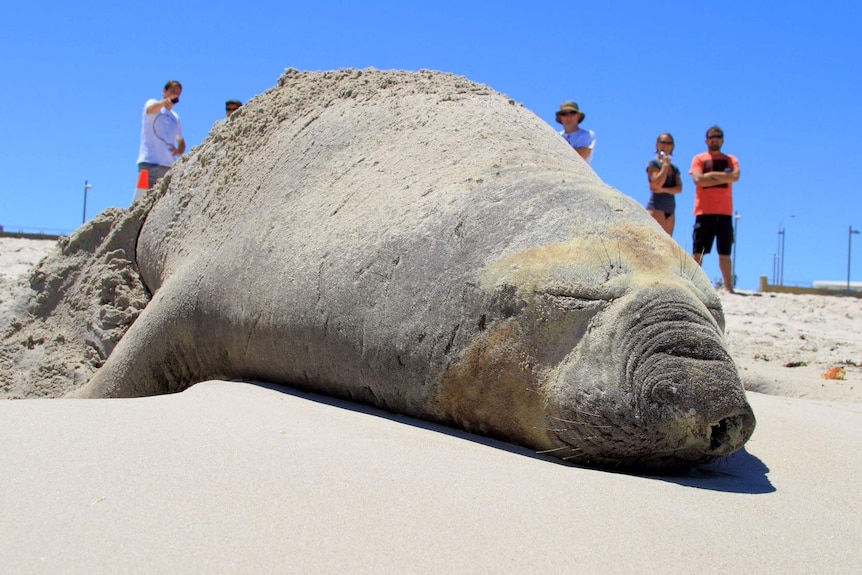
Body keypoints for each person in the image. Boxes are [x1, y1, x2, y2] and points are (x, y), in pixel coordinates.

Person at [689, 126, 740, 293]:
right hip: (704, 212)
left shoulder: (730, 159)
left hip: (725, 213)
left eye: (718, 137)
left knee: (725, 252)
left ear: (722, 140)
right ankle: (692, 285)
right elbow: (698, 180)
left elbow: (735, 176)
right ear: (706, 140)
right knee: (698, 252)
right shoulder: (699, 159)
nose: (714, 139)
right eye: (711, 137)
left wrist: (709, 176)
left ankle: (728, 287)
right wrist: (722, 177)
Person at [136, 80, 186, 195]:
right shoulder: (152, 103)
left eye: (178, 93)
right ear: (165, 91)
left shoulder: (175, 117)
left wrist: (179, 151)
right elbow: (150, 110)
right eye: (172, 91)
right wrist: (164, 102)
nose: (175, 94)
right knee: (141, 198)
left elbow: (181, 141)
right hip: (149, 163)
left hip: (168, 166)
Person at [645, 133, 682, 235]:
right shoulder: (653, 163)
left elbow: (679, 188)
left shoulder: (674, 168)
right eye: (663, 142)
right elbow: (657, 183)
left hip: (670, 209)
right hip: (656, 207)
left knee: (667, 245)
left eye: (669, 143)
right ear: (657, 144)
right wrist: (665, 166)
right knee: (654, 241)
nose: (666, 145)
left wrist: (663, 190)